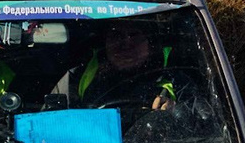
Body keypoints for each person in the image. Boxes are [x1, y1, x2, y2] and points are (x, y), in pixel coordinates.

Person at [49, 19, 187, 121]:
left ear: (150, 44)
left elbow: (197, 128)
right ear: (105, 42)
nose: (126, 44)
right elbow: (50, 122)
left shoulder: (176, 81)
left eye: (134, 35)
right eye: (116, 36)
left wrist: (174, 113)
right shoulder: (77, 77)